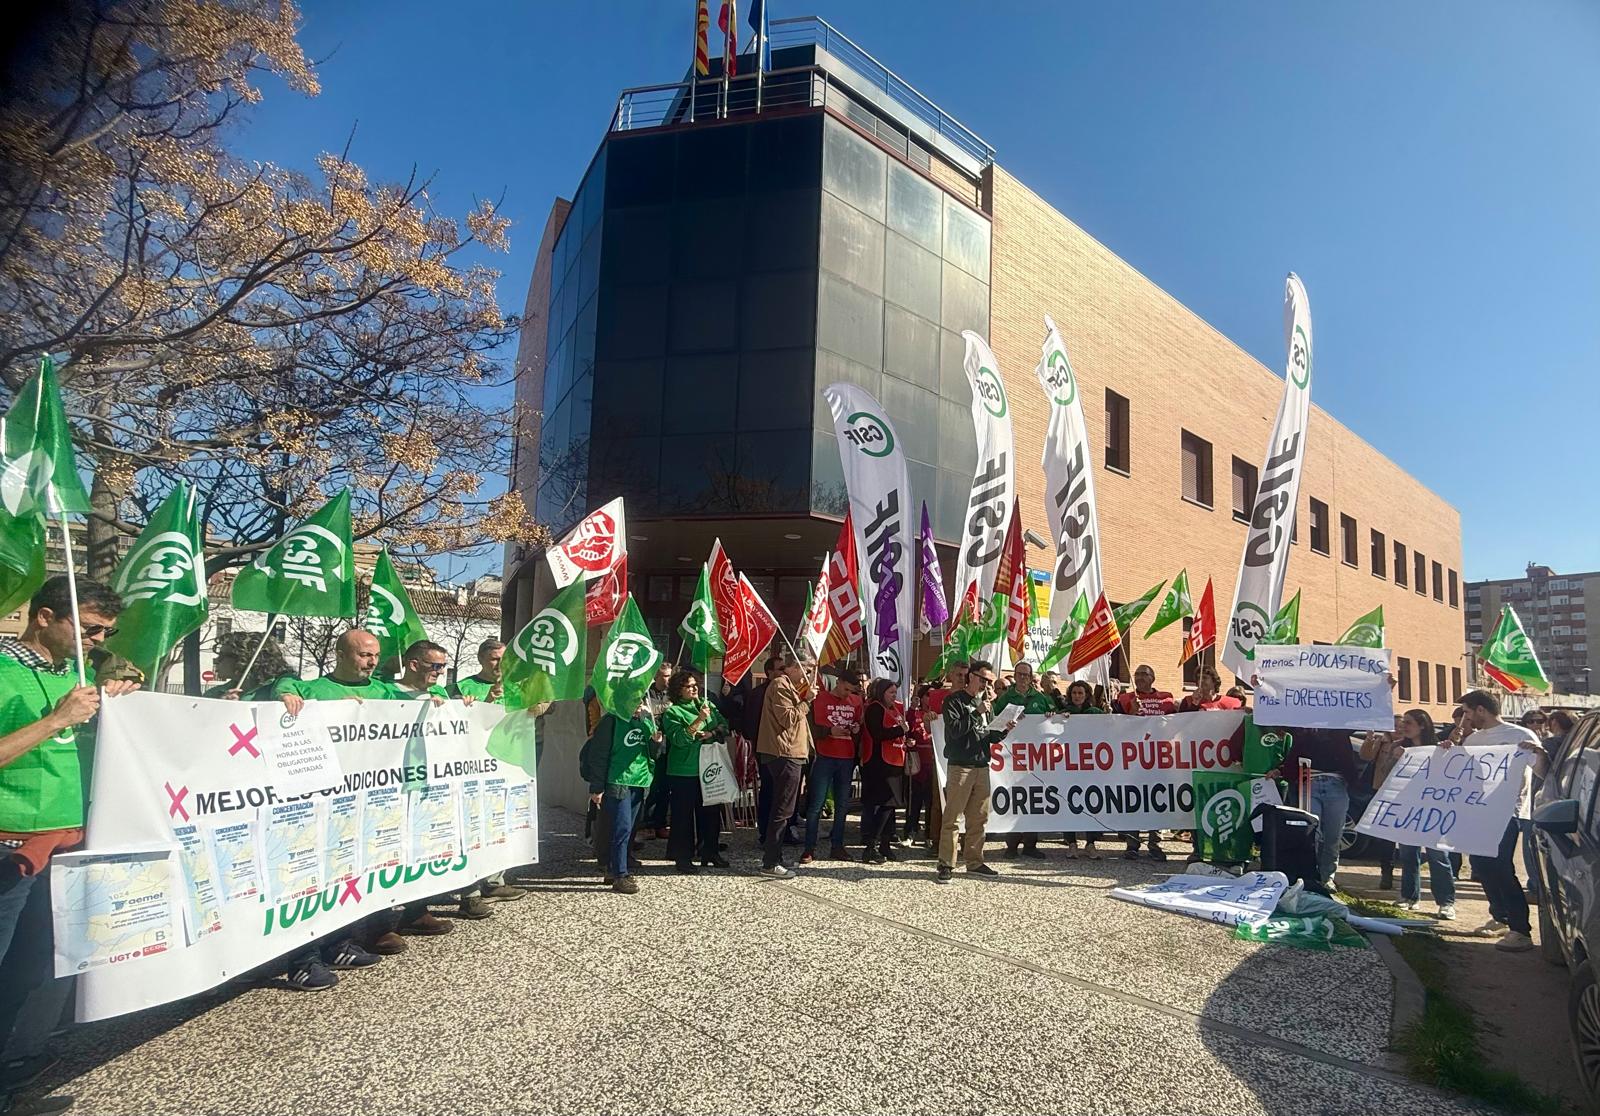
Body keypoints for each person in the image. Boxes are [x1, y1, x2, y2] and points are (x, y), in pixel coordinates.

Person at [0, 578, 140, 1107]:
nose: (99, 641)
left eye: (106, 632)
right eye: (90, 629)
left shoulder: (75, 675)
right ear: (43, 617)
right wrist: (57, 720)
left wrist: (123, 698)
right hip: (11, 845)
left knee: (34, 967)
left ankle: (13, 1071)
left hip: (63, 843)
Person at [274, 630, 418, 977]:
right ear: (340, 654)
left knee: (348, 872)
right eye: (364, 655)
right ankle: (304, 958)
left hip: (362, 804)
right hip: (318, 803)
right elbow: (279, 688)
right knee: (311, 876)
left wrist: (442, 699)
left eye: (375, 655)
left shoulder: (384, 692)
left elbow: (421, 699)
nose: (372, 662)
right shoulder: (313, 690)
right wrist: (284, 692)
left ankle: (340, 945)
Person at [1443, 690, 1549, 951]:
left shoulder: (1520, 735)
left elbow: (1542, 772)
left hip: (1508, 811)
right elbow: (1463, 773)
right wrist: (1448, 753)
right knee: (1481, 864)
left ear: (1481, 710)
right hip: (1479, 811)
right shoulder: (1474, 739)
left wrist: (1539, 753)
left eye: (1467, 712)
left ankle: (1520, 930)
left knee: (1501, 866)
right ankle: (1500, 917)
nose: (1465, 718)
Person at [937, 659, 1018, 884]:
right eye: (983, 679)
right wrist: (975, 712)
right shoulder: (954, 701)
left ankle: (974, 861)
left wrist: (1005, 729)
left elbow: (990, 735)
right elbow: (955, 730)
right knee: (953, 817)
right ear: (971, 676)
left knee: (979, 818)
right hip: (961, 766)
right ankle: (946, 863)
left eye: (989, 681)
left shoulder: (985, 703)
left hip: (982, 765)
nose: (986, 684)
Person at [1381, 711, 1456, 917]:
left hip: (1433, 810)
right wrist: (1395, 759)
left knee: (1438, 856)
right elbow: (1386, 775)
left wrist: (1448, 753)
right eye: (1403, 722)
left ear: (1422, 725)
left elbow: (1450, 776)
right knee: (1408, 855)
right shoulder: (1398, 747)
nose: (1404, 726)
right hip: (1407, 809)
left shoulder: (1440, 748)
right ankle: (1409, 897)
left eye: (1409, 723)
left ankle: (1446, 902)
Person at [586, 696, 663, 894]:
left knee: (629, 829)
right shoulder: (611, 721)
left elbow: (653, 754)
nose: (639, 706)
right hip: (618, 781)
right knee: (621, 828)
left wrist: (656, 743)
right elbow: (598, 755)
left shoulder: (646, 722)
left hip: (640, 781)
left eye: (641, 701)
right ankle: (621, 874)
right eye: (634, 701)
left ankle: (614, 868)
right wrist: (597, 787)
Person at [661, 671, 731, 872]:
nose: (694, 689)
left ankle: (710, 851)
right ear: (678, 690)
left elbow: (724, 725)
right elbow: (679, 739)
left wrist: (712, 732)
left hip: (708, 767)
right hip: (684, 770)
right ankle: (683, 857)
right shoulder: (673, 712)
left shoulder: (706, 705)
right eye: (688, 686)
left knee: (711, 812)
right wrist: (699, 720)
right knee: (683, 816)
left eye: (695, 685)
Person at [755, 654, 813, 878]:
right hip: (783, 752)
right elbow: (787, 718)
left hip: (791, 751)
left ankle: (775, 856)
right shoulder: (780, 685)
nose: (808, 674)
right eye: (807, 668)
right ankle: (770, 862)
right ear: (794, 667)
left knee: (785, 808)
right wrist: (806, 702)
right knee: (782, 809)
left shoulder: (790, 686)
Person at [1281, 726, 1359, 891]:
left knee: (1333, 835)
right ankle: (1308, 874)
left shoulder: (1339, 730)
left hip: (1336, 784)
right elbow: (1286, 728)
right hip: (1309, 782)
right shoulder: (1304, 730)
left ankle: (1327, 877)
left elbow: (1356, 723)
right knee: (1310, 833)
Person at [1115, 664, 1176, 860]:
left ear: (1153, 678)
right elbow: (1115, 728)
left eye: (1144, 674)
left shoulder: (1167, 700)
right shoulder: (1125, 699)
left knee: (1158, 801)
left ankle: (1155, 844)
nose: (1140, 677)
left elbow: (1176, 724)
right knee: (1134, 800)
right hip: (1134, 760)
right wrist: (1132, 714)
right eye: (1137, 674)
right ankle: (1132, 844)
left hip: (1159, 760)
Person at [803, 669, 863, 864]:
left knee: (842, 805)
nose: (848, 694)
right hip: (825, 755)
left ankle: (837, 846)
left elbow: (858, 725)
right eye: (846, 689)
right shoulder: (820, 698)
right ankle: (809, 848)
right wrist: (829, 731)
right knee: (816, 804)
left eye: (851, 691)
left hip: (846, 757)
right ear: (838, 682)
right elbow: (810, 727)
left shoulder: (856, 701)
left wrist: (855, 728)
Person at [859, 679, 908, 864]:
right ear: (881, 692)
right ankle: (871, 845)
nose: (894, 696)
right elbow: (877, 734)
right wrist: (899, 731)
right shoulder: (875, 708)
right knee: (886, 803)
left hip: (895, 761)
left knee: (892, 805)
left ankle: (885, 845)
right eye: (891, 692)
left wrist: (906, 738)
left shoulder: (895, 709)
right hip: (879, 762)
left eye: (895, 692)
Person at [1059, 680, 1105, 859]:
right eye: (1074, 693)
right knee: (1069, 803)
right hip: (1068, 765)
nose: (1077, 696)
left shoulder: (1095, 713)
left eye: (1080, 693)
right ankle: (1071, 843)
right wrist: (1051, 717)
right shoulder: (1064, 713)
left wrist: (1110, 716)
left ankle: (1090, 843)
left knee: (1091, 803)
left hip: (1090, 765)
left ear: (1087, 695)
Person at [1357, 730, 1403, 891]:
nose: (1399, 729)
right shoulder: (1381, 742)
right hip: (1381, 792)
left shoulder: (1410, 745)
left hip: (1403, 794)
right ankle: (1387, 872)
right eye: (1395, 725)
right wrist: (1370, 739)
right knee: (1386, 838)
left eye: (1402, 725)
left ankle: (1407, 880)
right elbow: (1365, 756)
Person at [640, 662, 675, 842]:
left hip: (670, 744)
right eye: (665, 676)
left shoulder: (673, 693)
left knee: (665, 787)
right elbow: (646, 711)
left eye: (670, 675)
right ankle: (647, 823)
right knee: (652, 787)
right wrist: (665, 707)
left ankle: (660, 822)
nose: (668, 679)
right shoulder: (646, 692)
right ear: (656, 676)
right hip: (653, 744)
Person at [206, 630, 296, 700]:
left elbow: (293, 684)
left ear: (243, 658)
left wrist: (286, 694)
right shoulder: (214, 694)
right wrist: (219, 706)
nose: (217, 660)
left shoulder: (277, 688)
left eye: (223, 655)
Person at [903, 683, 935, 844]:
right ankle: (910, 832)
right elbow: (907, 730)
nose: (931, 698)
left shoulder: (939, 714)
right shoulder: (915, 713)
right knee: (914, 800)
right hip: (917, 762)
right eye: (928, 694)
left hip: (934, 763)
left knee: (931, 802)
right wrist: (912, 708)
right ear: (921, 698)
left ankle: (929, 834)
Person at [1178, 668, 1243, 712]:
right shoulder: (1188, 701)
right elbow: (1182, 722)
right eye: (1198, 678)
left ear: (1214, 681)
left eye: (1204, 677)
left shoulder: (1231, 702)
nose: (1201, 680)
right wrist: (1194, 704)